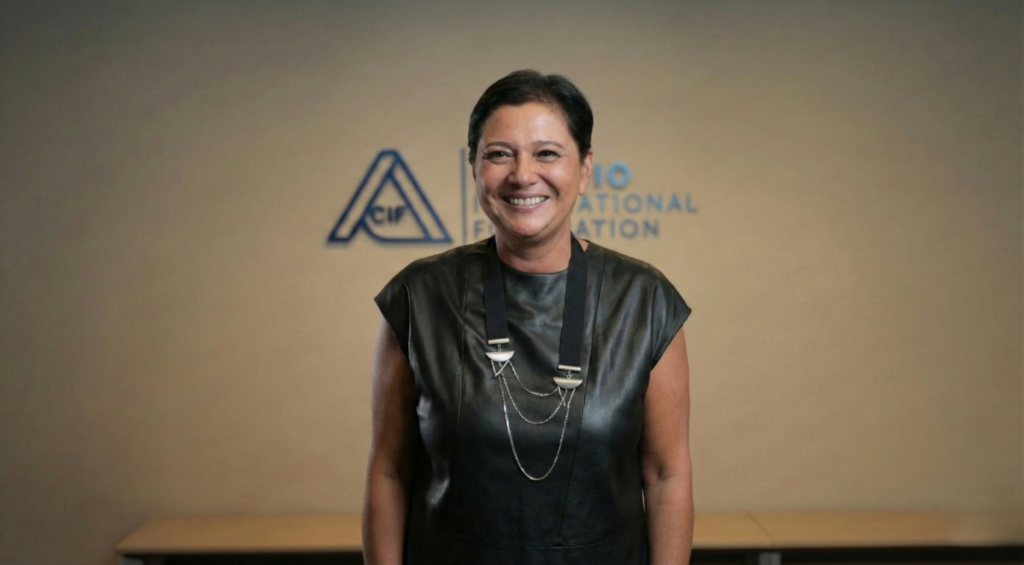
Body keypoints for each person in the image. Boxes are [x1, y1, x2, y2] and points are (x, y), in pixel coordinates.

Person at [362, 69, 693, 565]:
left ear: (584, 169)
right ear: (474, 168)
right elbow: (389, 472)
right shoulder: (419, 298)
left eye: (547, 153)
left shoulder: (644, 301)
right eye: (499, 154)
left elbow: (667, 475)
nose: (522, 174)